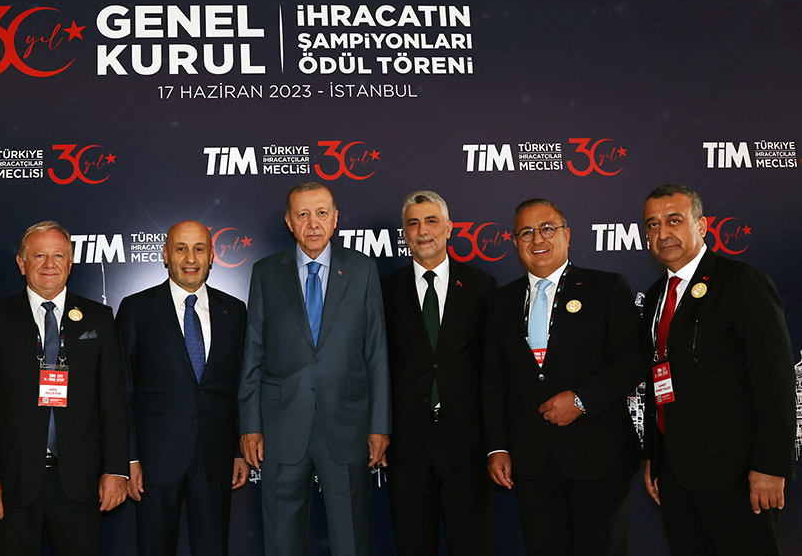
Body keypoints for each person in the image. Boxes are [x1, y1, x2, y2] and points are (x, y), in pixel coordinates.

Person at [482, 198, 646, 556]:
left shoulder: (606, 288)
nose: (537, 239)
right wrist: (498, 446)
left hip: (599, 459)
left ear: (567, 234)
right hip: (532, 462)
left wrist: (582, 399)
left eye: (547, 228)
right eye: (526, 232)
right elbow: (493, 379)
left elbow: (632, 360)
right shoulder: (502, 301)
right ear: (515, 242)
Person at [640, 183, 795, 555]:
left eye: (674, 220)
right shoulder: (656, 295)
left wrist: (770, 466)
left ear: (701, 225)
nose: (663, 233)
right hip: (675, 474)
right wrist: (654, 457)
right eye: (653, 224)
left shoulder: (741, 281)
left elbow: (774, 379)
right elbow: (657, 379)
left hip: (737, 476)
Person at [239, 181, 390, 556]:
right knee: (282, 543)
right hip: (281, 427)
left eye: (321, 213)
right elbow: (253, 354)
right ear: (289, 222)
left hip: (347, 425)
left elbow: (376, 353)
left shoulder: (362, 270)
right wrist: (250, 425)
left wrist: (379, 425)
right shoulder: (265, 272)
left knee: (351, 540)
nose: (313, 223)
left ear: (335, 218)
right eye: (303, 214)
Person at [0, 221, 128, 555]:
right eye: (39, 255)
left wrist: (116, 470)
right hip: (12, 479)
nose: (49, 264)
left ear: (70, 264)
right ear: (21, 263)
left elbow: (113, 401)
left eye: (58, 255)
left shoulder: (99, 319)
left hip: (81, 479)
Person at [117, 220, 250, 556]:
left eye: (199, 249)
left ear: (211, 256)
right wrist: (129, 457)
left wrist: (237, 450)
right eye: (181, 249)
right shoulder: (136, 309)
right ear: (165, 254)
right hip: (155, 462)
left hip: (215, 459)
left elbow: (239, 386)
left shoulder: (234, 310)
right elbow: (123, 391)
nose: (190, 258)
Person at [381, 191, 496, 555]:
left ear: (449, 228)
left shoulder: (481, 286)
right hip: (407, 444)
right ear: (404, 234)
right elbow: (376, 366)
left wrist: (496, 441)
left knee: (472, 544)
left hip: (468, 443)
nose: (423, 231)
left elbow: (493, 369)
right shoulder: (384, 291)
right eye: (413, 224)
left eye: (431, 221)